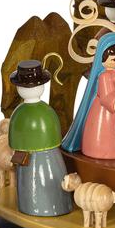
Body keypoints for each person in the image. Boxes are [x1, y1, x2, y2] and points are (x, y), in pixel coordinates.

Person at [8, 59, 74, 216]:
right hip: (34, 157)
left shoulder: (37, 112)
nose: (30, 89)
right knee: (31, 183)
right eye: (26, 87)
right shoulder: (26, 113)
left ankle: (51, 206)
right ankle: (36, 206)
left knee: (48, 180)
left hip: (47, 156)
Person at [62, 32, 115, 159]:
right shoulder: (103, 76)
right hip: (104, 111)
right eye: (114, 59)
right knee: (102, 132)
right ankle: (98, 148)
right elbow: (106, 96)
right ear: (102, 57)